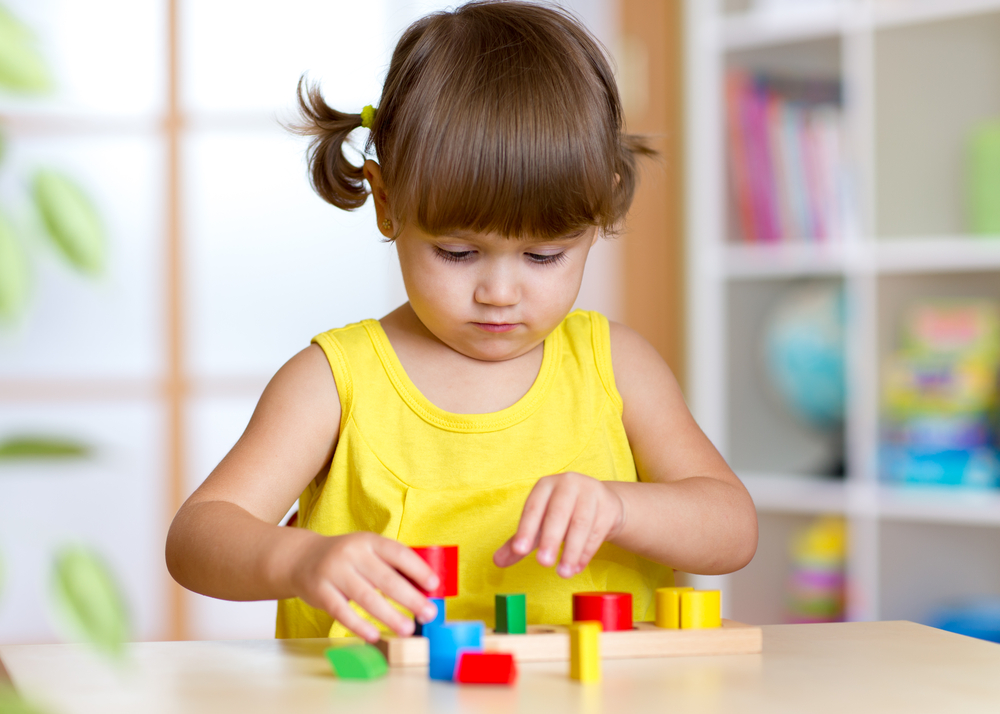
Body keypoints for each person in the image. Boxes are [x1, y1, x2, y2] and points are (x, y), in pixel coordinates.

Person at [165, 0, 757, 643]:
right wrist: (299, 559)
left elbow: (732, 528)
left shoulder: (616, 366)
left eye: (543, 255)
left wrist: (621, 507)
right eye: (458, 252)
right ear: (387, 203)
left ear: (601, 211)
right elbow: (198, 536)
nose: (499, 292)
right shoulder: (334, 382)